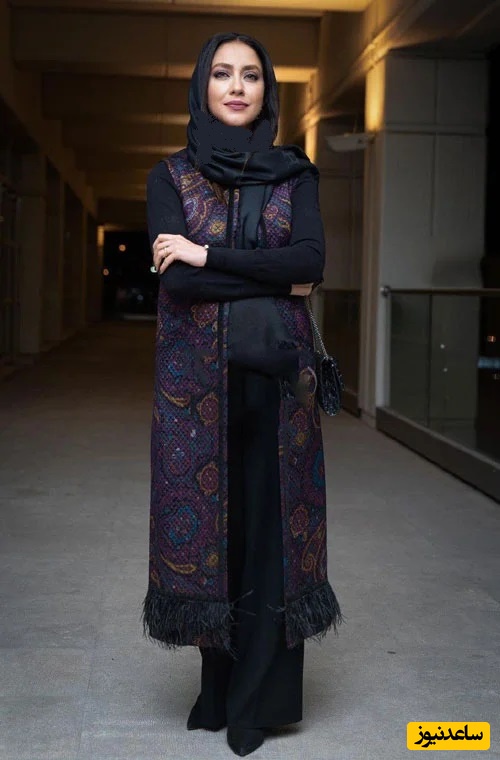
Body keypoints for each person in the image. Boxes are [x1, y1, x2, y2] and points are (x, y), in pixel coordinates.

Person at [141, 31, 343, 758]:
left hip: (278, 385)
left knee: (270, 541)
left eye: (250, 75)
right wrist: (273, 276)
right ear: (202, 85)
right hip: (196, 391)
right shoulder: (170, 175)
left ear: (267, 89)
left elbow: (312, 260)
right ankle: (217, 688)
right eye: (222, 73)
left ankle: (256, 700)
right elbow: (179, 283)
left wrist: (208, 254)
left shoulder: (296, 174)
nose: (235, 86)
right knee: (211, 536)